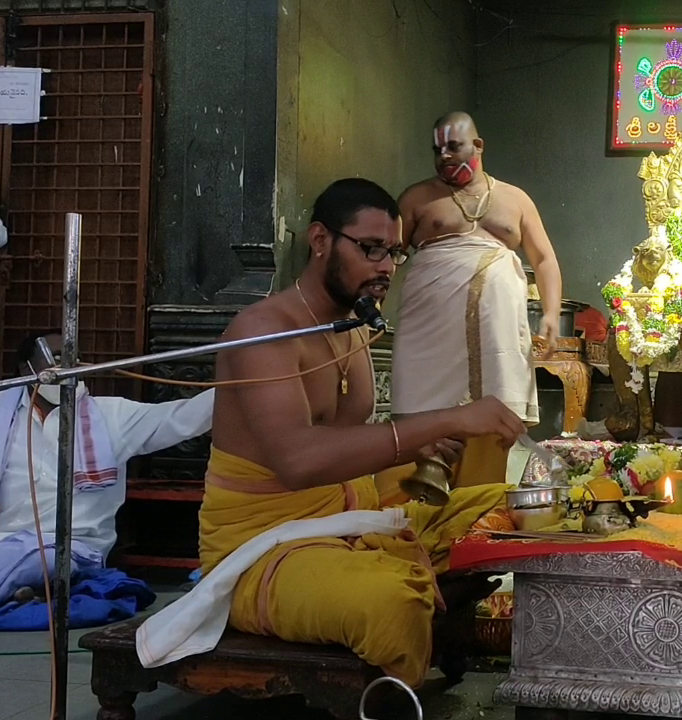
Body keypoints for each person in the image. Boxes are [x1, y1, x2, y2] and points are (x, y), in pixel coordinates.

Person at [201, 177, 525, 687]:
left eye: (394, 252)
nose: (387, 267)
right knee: (393, 602)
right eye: (371, 249)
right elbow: (299, 460)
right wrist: (441, 421)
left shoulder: (353, 326)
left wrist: (419, 445)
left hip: (349, 518)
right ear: (320, 241)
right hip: (267, 549)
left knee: (511, 504)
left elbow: (348, 442)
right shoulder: (264, 332)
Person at [0, 332, 214, 618]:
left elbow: (183, 417)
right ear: (27, 369)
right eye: (57, 359)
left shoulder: (112, 415)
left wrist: (244, 374)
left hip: (65, 548)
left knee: (38, 560)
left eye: (73, 359)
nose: (67, 367)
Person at [392, 111, 562, 486]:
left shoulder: (514, 199)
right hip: (430, 330)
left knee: (494, 415)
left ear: (478, 146)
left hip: (496, 330)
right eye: (437, 150)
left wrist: (551, 312)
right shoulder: (418, 198)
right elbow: (386, 258)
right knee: (422, 413)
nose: (444, 157)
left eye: (453, 147)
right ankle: (407, 513)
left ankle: (478, 510)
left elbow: (544, 258)